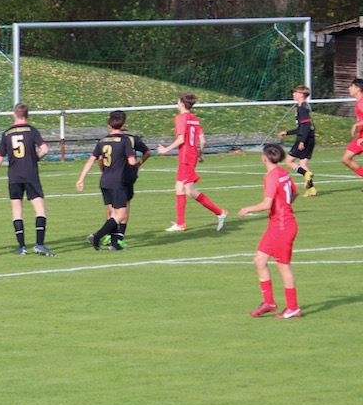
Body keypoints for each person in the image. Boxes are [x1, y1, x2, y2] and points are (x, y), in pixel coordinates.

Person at [238, 143, 301, 318]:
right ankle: (269, 302)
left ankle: (293, 307)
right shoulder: (283, 172)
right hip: (277, 225)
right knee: (259, 260)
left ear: (264, 158)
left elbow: (267, 204)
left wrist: (248, 209)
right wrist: (284, 206)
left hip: (282, 226)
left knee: (283, 266)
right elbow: (295, 192)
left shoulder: (271, 177)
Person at [0, 102, 54, 256]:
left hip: (14, 176)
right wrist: (35, 158)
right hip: (31, 174)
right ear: (27, 115)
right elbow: (45, 149)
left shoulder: (7, 133)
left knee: (17, 210)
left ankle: (22, 247)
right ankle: (39, 244)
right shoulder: (32, 130)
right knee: (40, 209)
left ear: (14, 115)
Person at [156, 92, 228, 232]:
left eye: (178, 102)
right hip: (192, 156)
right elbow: (203, 140)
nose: (177, 104)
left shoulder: (180, 118)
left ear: (182, 104)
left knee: (190, 190)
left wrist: (165, 150)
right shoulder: (195, 119)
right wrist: (200, 154)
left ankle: (220, 212)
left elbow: (181, 139)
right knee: (180, 187)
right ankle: (180, 223)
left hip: (185, 157)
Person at [76, 110, 137, 250]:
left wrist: (81, 179)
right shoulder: (124, 141)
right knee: (121, 214)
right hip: (118, 181)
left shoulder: (102, 141)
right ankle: (96, 236)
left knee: (114, 213)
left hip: (105, 181)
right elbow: (132, 161)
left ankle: (114, 243)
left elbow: (91, 160)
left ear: (109, 124)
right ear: (122, 124)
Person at [117, 116, 152, 249]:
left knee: (111, 205)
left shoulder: (108, 138)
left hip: (111, 175)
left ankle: (110, 234)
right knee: (125, 204)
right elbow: (147, 152)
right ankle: (119, 235)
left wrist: (103, 170)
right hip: (128, 174)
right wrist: (138, 164)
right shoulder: (132, 138)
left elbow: (101, 158)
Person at [277, 85, 316, 196]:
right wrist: (287, 132)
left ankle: (306, 174)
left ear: (302, 95)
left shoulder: (302, 108)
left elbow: (306, 126)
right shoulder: (305, 107)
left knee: (289, 161)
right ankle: (312, 189)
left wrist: (302, 141)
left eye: (296, 92)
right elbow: (302, 127)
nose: (293, 94)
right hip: (310, 138)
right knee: (302, 163)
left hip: (304, 139)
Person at [339, 77, 363, 188]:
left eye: (351, 86)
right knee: (346, 159)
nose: (349, 88)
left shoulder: (361, 103)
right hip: (360, 136)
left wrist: (356, 125)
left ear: (358, 89)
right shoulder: (359, 102)